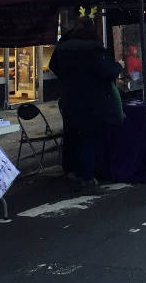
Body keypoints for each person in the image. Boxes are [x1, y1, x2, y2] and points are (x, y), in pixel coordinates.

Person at [49, 16, 122, 192]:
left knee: (73, 136)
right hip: (91, 100)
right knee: (88, 139)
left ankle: (72, 171)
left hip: (69, 98)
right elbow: (105, 71)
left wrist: (68, 79)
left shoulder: (62, 47)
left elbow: (53, 66)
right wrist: (118, 66)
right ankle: (87, 178)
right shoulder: (93, 49)